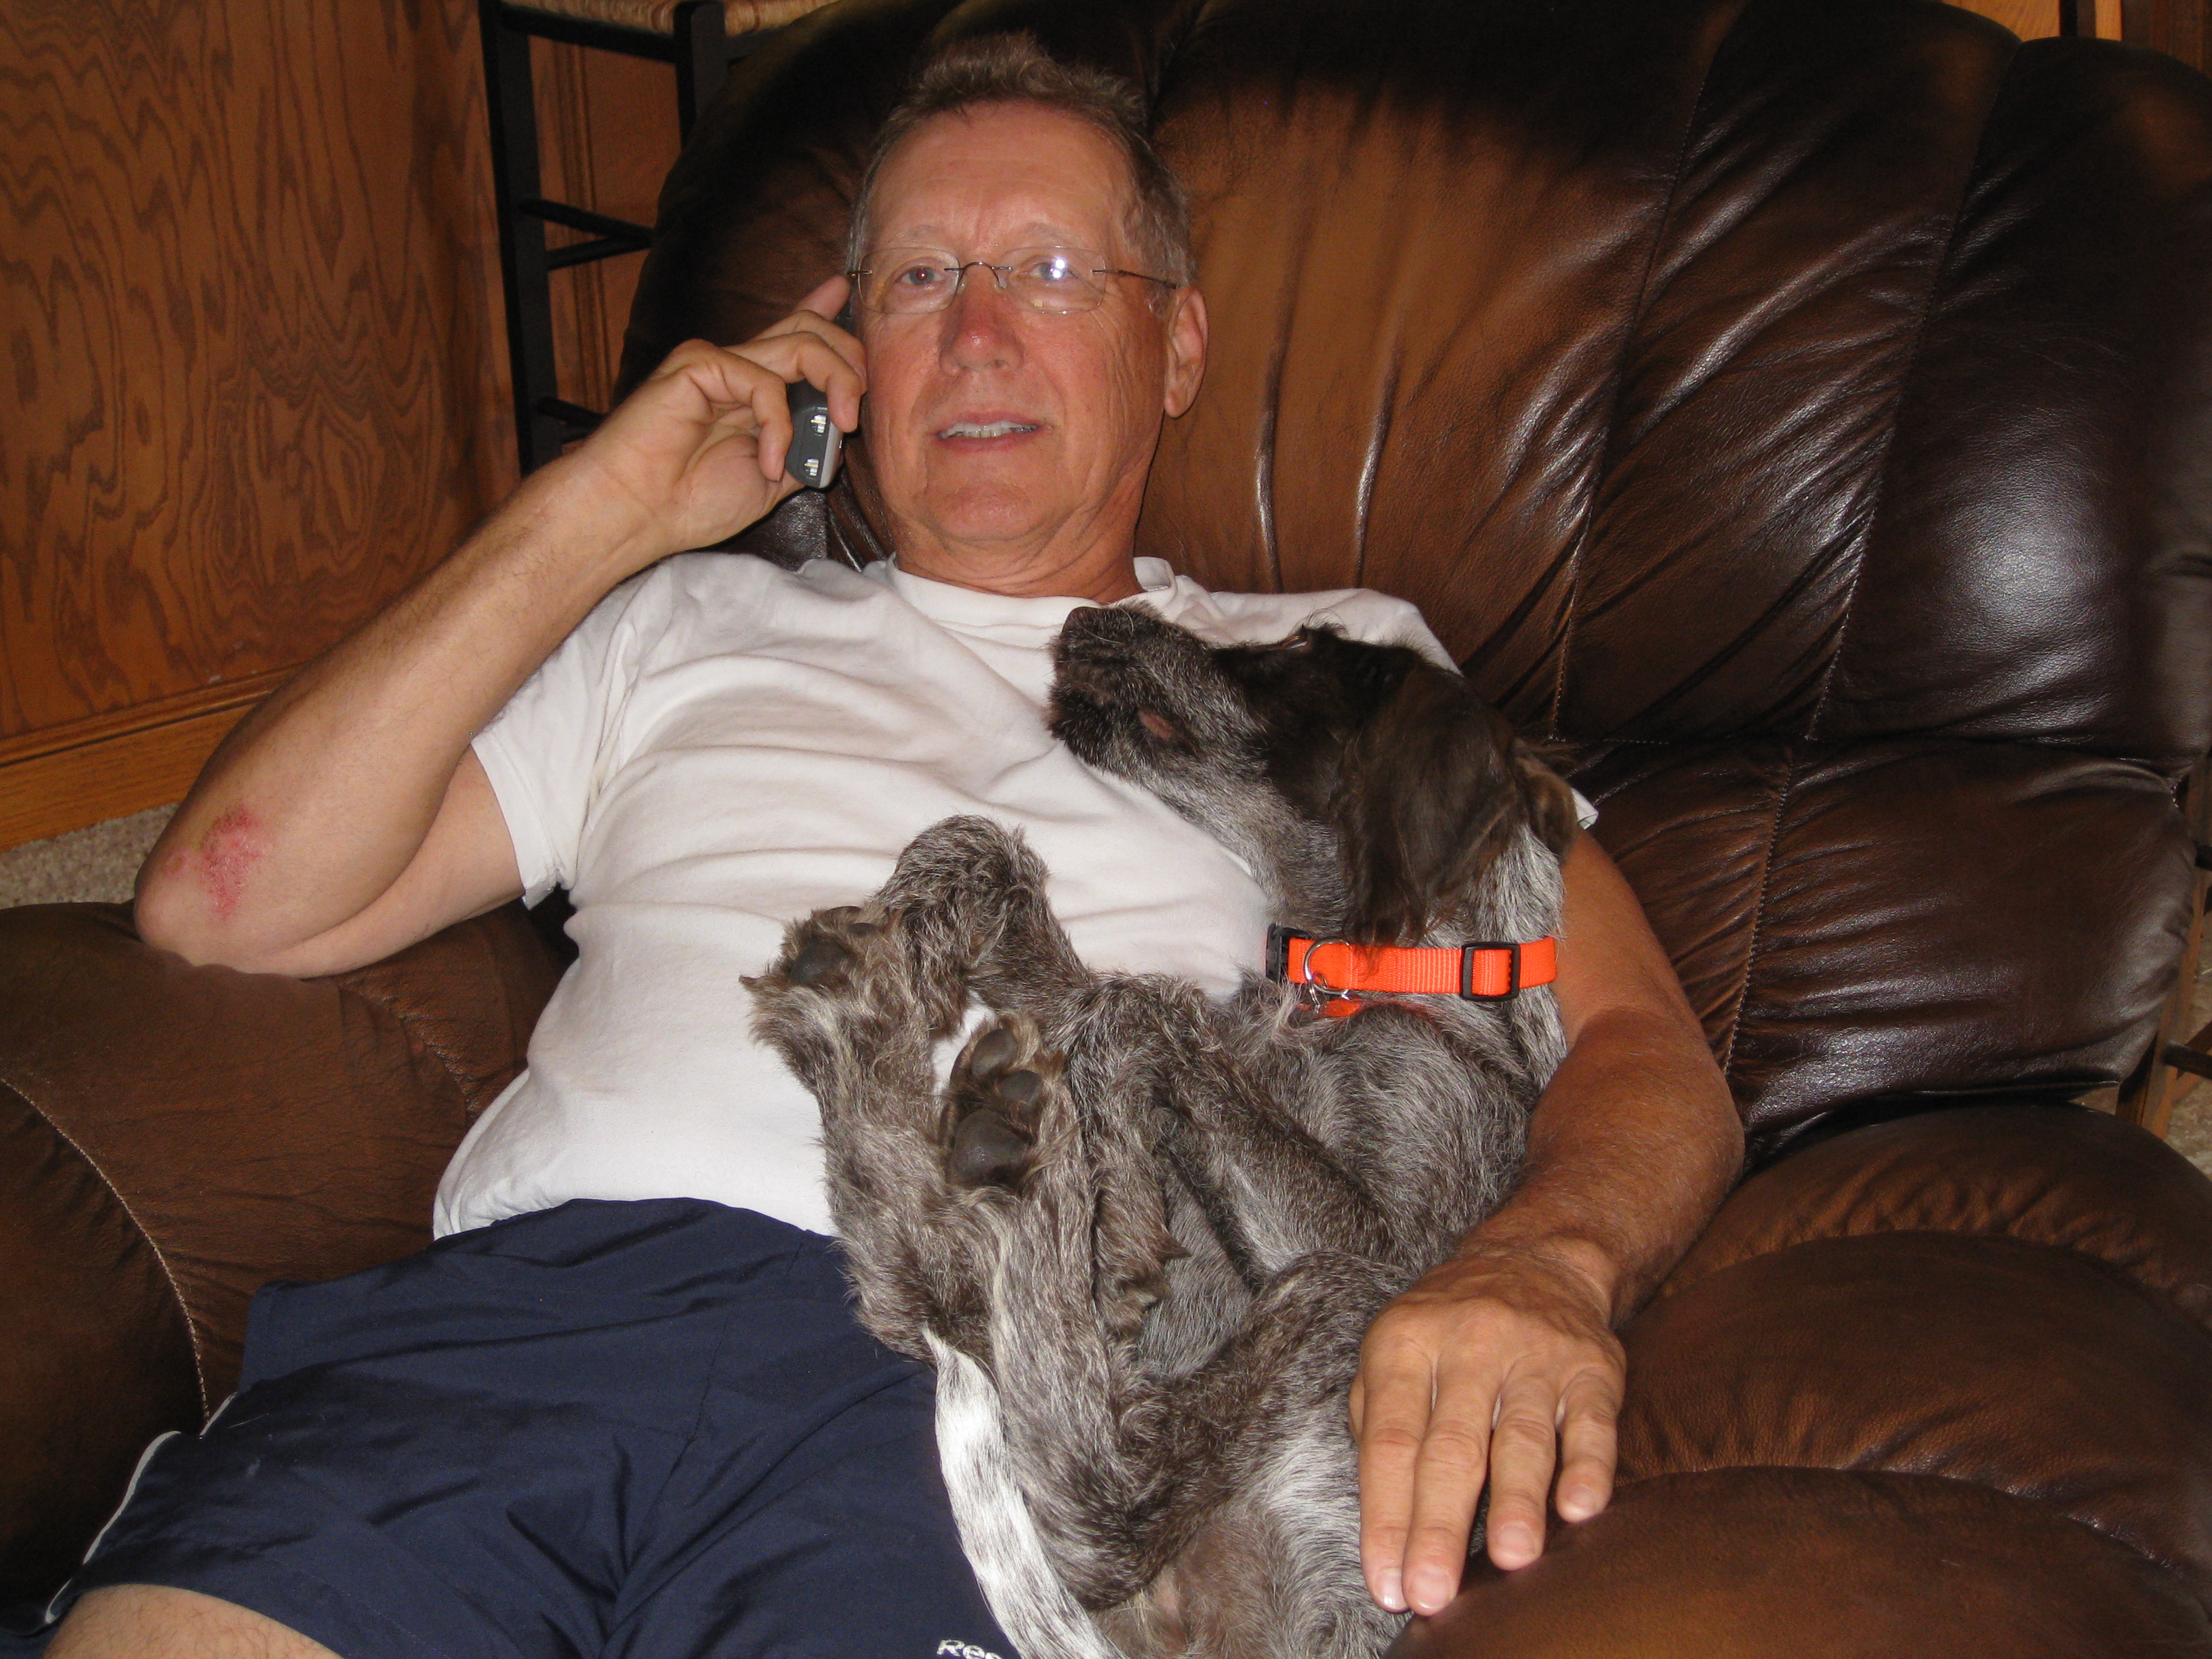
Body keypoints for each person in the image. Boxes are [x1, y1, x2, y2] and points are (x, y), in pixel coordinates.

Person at [48, 35, 1740, 1659]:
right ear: (848, 346)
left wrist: (1546, 1264)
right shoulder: (680, 621)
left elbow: (1637, 1039)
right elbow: (225, 901)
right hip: (533, 1318)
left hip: (1002, 1387)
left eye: (1053, 274)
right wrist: (602, 511)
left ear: (1176, 349)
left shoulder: (1336, 669)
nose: (978, 334)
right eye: (922, 278)